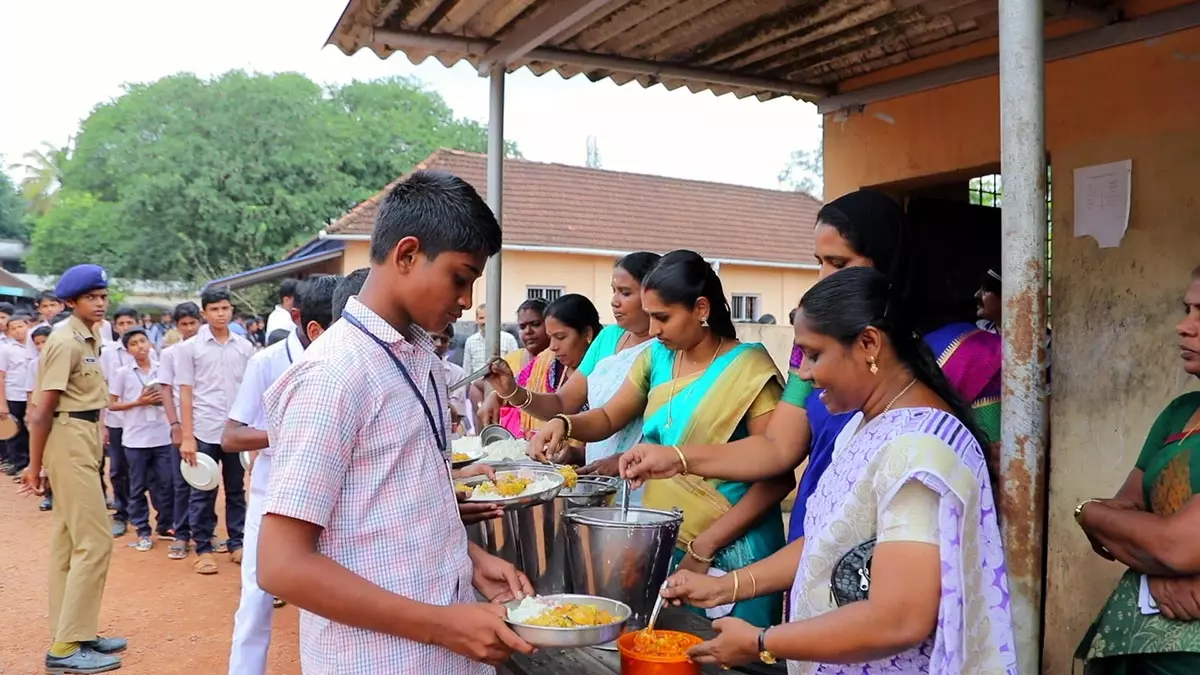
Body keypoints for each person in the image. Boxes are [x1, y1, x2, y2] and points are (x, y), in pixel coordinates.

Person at [650, 267, 1018, 674]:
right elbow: (827, 543)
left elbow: (900, 619)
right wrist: (726, 585)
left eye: (814, 354)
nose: (804, 373)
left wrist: (761, 642)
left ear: (868, 344)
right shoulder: (869, 425)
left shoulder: (919, 452)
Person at [256, 171, 535, 674]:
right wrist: (442, 623)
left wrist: (467, 561)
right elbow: (282, 566)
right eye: (460, 277)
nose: (466, 300)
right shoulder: (334, 375)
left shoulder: (416, 358)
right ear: (406, 255)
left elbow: (388, 508)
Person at [620, 190, 1003, 546]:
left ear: (887, 259)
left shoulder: (969, 356)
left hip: (910, 546)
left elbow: (989, 479)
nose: (823, 278)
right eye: (818, 262)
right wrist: (677, 458)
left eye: (839, 263)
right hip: (816, 536)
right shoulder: (812, 351)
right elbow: (776, 448)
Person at [529, 250, 794, 627]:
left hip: (734, 552)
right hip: (666, 542)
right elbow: (607, 416)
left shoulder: (748, 367)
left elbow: (778, 474)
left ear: (701, 309)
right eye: (650, 316)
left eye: (663, 317)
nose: (653, 330)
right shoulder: (656, 358)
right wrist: (564, 423)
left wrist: (704, 549)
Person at [1074, 267, 1200, 674]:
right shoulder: (1179, 414)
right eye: (1187, 309)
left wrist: (1088, 512)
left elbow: (1175, 545)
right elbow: (1124, 513)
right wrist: (1159, 565)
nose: (1184, 327)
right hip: (1137, 642)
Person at [225, 274, 339, 675]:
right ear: (302, 321)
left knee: (332, 600)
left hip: (333, 500)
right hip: (273, 497)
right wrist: (288, 431)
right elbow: (231, 436)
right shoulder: (266, 362)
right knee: (256, 599)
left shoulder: (344, 359)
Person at [19, 264, 129, 674]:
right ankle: (65, 646)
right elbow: (40, 412)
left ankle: (76, 631)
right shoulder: (65, 341)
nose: (100, 304)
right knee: (95, 540)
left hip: (81, 433)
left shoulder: (90, 335)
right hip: (66, 437)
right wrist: (35, 466)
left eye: (103, 296)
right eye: (91, 298)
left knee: (69, 542)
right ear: (70, 302)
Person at [484, 252, 661, 484]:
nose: (615, 301)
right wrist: (512, 392)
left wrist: (618, 456)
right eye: (614, 291)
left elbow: (662, 428)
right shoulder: (609, 337)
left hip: (644, 475)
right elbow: (563, 403)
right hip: (597, 475)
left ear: (654, 296)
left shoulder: (665, 348)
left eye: (625, 293)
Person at [176, 288, 255, 575]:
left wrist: (251, 430)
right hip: (203, 429)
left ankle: (237, 543)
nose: (221, 314)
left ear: (232, 310)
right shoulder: (190, 348)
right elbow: (185, 393)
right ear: (204, 313)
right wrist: (187, 436)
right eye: (215, 309)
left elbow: (251, 391)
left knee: (236, 489)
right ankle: (204, 548)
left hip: (234, 431)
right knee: (201, 491)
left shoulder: (244, 347)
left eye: (225, 308)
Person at [493, 295, 600, 440]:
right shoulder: (548, 360)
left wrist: (577, 453)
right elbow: (558, 403)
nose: (553, 347)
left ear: (587, 333)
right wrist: (502, 393)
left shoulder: (606, 365)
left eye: (561, 337)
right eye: (551, 338)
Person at [108, 327, 173, 552]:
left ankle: (165, 524)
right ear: (127, 350)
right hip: (135, 439)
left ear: (150, 343)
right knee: (137, 487)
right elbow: (111, 404)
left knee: (166, 483)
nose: (140, 346)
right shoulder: (122, 373)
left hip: (162, 435)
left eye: (143, 341)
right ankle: (142, 530)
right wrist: (138, 402)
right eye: (134, 344)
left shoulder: (162, 369)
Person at [157, 302, 203, 561]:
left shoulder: (208, 350)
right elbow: (166, 390)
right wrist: (175, 425)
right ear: (176, 327)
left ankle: (202, 532)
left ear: (200, 321)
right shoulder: (171, 353)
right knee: (182, 481)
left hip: (207, 423)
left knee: (205, 481)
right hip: (182, 424)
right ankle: (182, 534)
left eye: (192, 323)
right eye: (183, 324)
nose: (188, 328)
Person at [101, 306, 145, 538]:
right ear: (115, 327)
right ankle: (121, 514)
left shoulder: (148, 349)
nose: (126, 327)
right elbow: (103, 386)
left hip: (143, 422)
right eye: (122, 324)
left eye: (130, 322)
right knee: (118, 469)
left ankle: (145, 516)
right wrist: (103, 424)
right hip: (117, 419)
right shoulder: (108, 352)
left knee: (145, 470)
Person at [0, 312, 33, 476]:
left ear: (28, 326)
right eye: (13, 328)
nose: (17, 331)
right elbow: (1, 375)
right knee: (14, 430)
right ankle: (18, 462)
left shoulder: (36, 347)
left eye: (20, 326)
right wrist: (2, 402)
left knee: (31, 430)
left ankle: (31, 463)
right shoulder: (6, 350)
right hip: (14, 394)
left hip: (32, 396)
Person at [461, 303, 518, 397]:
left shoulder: (508, 339)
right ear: (476, 320)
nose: (485, 321)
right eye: (481, 318)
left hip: (503, 388)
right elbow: (467, 371)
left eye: (488, 317)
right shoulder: (470, 341)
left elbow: (517, 368)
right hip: (477, 389)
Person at [26, 324, 53, 511]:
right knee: (46, 456)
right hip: (41, 416)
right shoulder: (34, 365)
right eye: (38, 343)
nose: (41, 346)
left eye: (45, 341)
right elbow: (30, 392)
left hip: (60, 415)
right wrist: (31, 415)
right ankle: (49, 494)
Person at [433, 324, 471, 435]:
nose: (438, 344)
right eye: (433, 338)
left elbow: (455, 417)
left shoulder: (457, 374)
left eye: (444, 340)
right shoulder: (411, 368)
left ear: (449, 344)